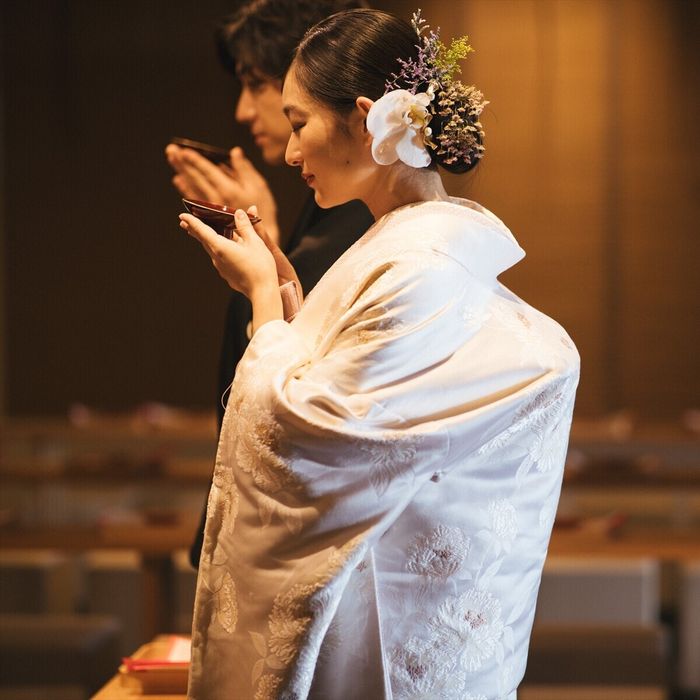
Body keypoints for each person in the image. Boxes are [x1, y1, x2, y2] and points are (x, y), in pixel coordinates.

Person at [179, 8, 580, 699]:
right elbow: (352, 396)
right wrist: (288, 299)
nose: (293, 153)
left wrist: (262, 298)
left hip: (397, 643)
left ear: (367, 119)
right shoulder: (400, 247)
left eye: (300, 123)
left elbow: (308, 432)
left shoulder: (418, 262)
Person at [165, 0, 374, 568]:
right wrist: (271, 248)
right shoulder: (337, 211)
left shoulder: (365, 227)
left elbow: (297, 406)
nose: (244, 109)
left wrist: (265, 273)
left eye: (257, 84)